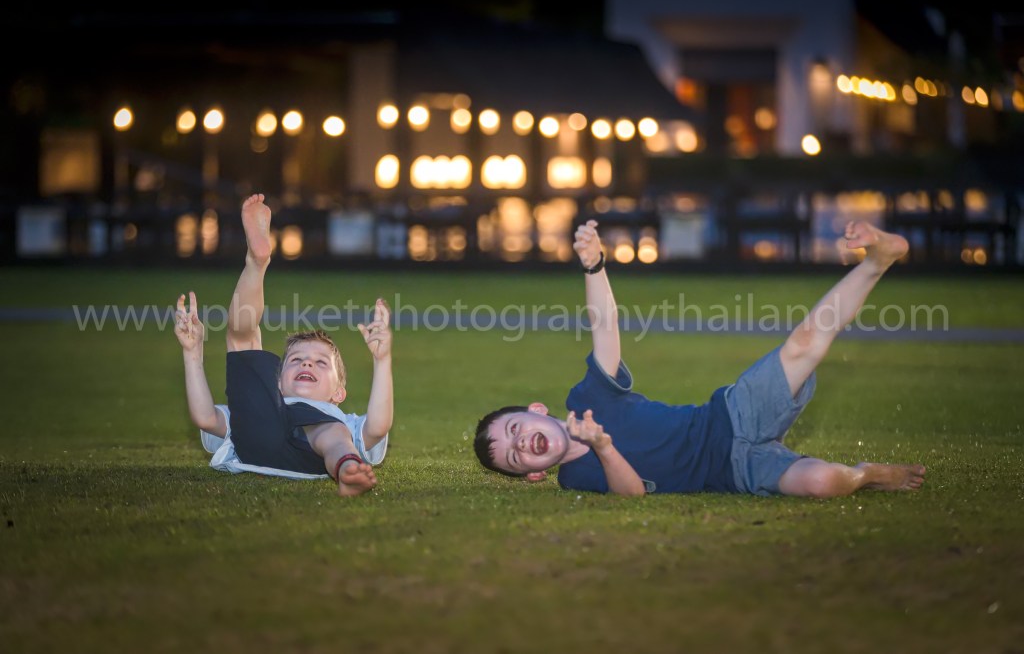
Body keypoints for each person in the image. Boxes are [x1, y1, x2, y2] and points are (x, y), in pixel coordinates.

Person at [473, 219, 926, 498]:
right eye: (515, 459)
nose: (521, 445)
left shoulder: (588, 397)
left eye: (515, 430)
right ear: (533, 476)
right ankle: (869, 474)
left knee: (803, 342)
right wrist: (602, 445)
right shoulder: (576, 478)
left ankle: (876, 262)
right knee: (824, 483)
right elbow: (630, 495)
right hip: (734, 472)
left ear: (536, 411)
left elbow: (605, 328)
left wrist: (594, 265)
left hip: (730, 416)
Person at [174, 194, 393, 497]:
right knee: (242, 339)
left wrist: (383, 360)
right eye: (297, 360)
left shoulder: (342, 420)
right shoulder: (264, 401)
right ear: (278, 380)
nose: (306, 364)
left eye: (320, 363)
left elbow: (378, 427)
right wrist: (192, 353)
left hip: (321, 450)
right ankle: (257, 262)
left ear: (339, 393)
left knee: (332, 433)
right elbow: (205, 418)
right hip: (264, 425)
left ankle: (347, 468)